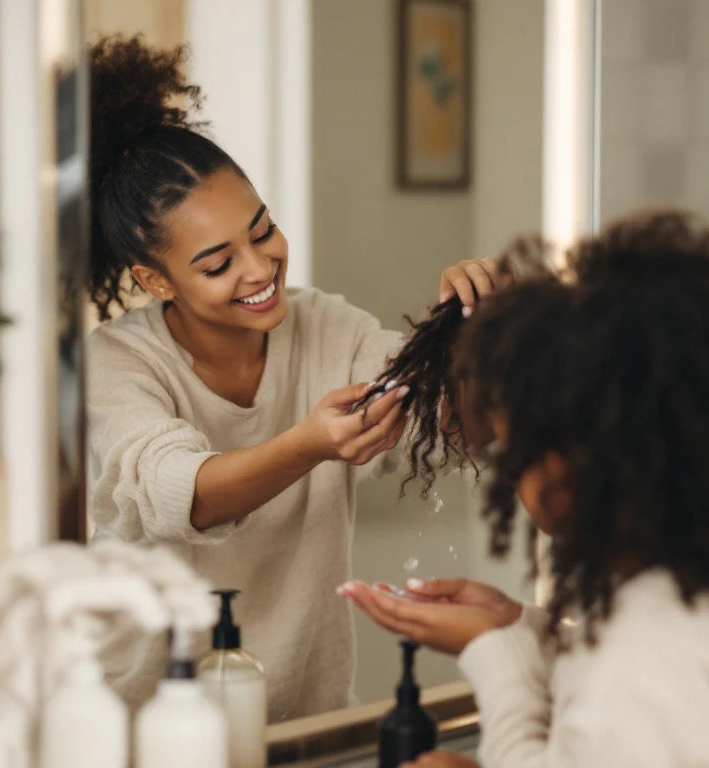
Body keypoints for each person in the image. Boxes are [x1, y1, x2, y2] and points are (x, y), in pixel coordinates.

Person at [85, 34, 497, 719]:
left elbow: (442, 413)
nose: (258, 268)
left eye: (263, 230)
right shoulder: (119, 363)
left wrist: (478, 330)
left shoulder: (324, 326)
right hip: (151, 728)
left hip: (307, 721)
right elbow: (178, 495)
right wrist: (309, 444)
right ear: (154, 279)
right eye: (217, 264)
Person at [341, 211, 709, 767]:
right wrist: (526, 630)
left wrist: (497, 656)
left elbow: (636, 698)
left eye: (515, 449)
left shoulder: (641, 666)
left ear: (570, 463)